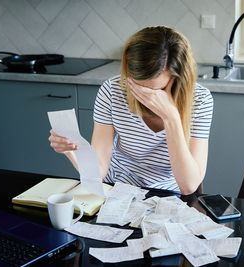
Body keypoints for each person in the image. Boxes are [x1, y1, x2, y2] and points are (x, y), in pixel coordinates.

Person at [49, 26, 213, 195]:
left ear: (177, 77)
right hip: (117, 189)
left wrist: (171, 117)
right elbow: (98, 171)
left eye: (156, 91)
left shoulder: (200, 100)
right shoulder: (112, 90)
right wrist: (72, 151)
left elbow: (189, 186)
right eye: (137, 86)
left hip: (168, 195)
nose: (145, 97)